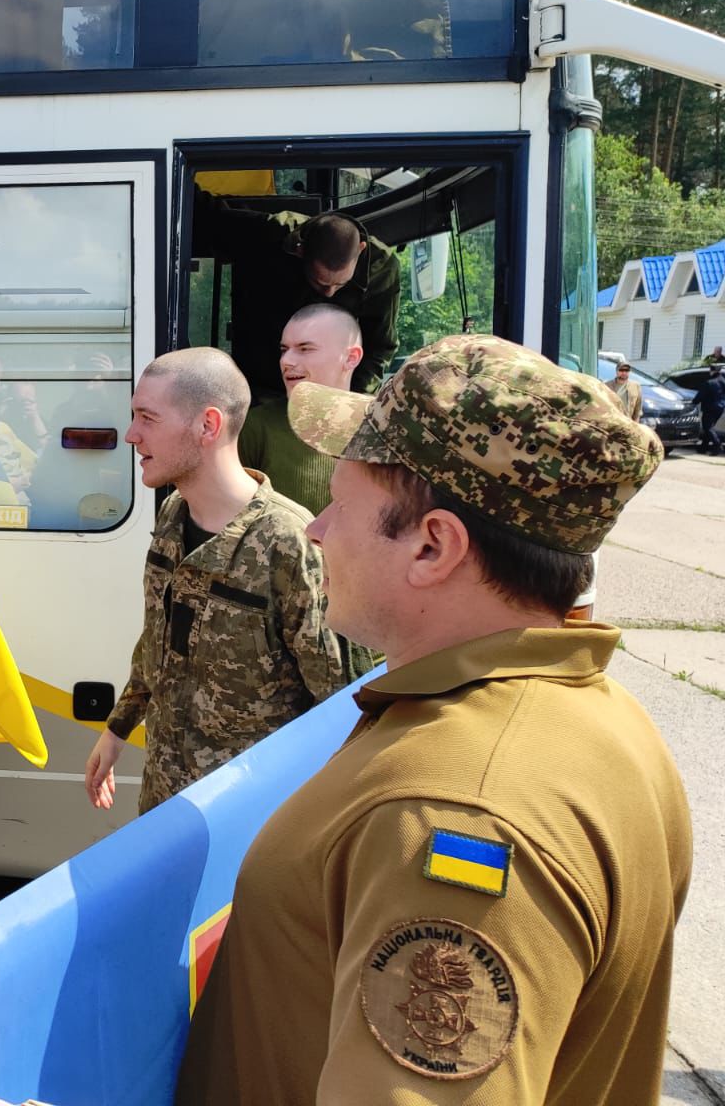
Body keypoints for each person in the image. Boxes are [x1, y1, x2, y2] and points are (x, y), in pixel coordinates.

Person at [176, 335, 690, 1104]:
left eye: (341, 504)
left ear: (432, 546)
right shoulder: (608, 720)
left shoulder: (457, 816)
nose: (316, 530)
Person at [83, 348, 348, 814]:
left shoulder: (288, 542)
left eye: (148, 418)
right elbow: (158, 639)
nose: (131, 434)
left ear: (208, 425)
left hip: (248, 816)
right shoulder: (173, 514)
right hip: (166, 802)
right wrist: (117, 729)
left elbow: (335, 701)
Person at [190, 187, 399, 394]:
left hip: (325, 389)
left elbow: (380, 346)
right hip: (258, 379)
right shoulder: (272, 235)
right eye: (320, 283)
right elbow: (205, 213)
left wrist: (351, 399)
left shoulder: (381, 268)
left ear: (361, 249)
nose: (329, 293)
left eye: (340, 284)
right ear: (300, 251)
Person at [237, 303, 363, 516]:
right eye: (284, 350)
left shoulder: (383, 426)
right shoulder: (256, 427)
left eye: (305, 349)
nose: (286, 361)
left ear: (351, 358)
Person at [695, 364, 725, 454]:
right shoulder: (723, 381)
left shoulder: (709, 383)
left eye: (710, 370)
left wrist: (694, 402)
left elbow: (700, 396)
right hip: (720, 408)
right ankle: (704, 447)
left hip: (709, 408)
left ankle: (717, 445)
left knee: (708, 428)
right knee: (709, 427)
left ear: (713, 371)